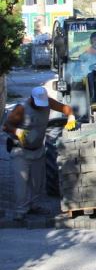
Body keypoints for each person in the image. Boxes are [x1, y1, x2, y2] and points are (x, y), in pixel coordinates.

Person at [3, 86, 76, 221]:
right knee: (22, 184)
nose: (40, 107)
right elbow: (6, 125)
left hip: (37, 150)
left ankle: (34, 206)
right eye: (38, 104)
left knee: (38, 183)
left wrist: (71, 116)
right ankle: (20, 211)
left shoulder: (48, 102)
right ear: (32, 99)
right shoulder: (21, 108)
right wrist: (17, 132)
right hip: (20, 151)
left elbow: (66, 108)